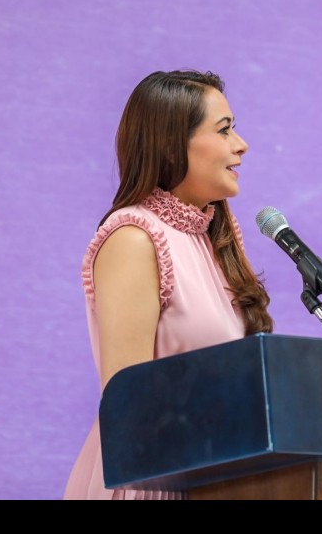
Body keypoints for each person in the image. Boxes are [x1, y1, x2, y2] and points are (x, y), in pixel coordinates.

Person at [63, 70, 274, 500]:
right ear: (172, 145)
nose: (241, 144)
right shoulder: (134, 237)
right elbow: (128, 401)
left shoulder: (215, 237)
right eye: (224, 130)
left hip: (212, 479)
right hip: (152, 481)